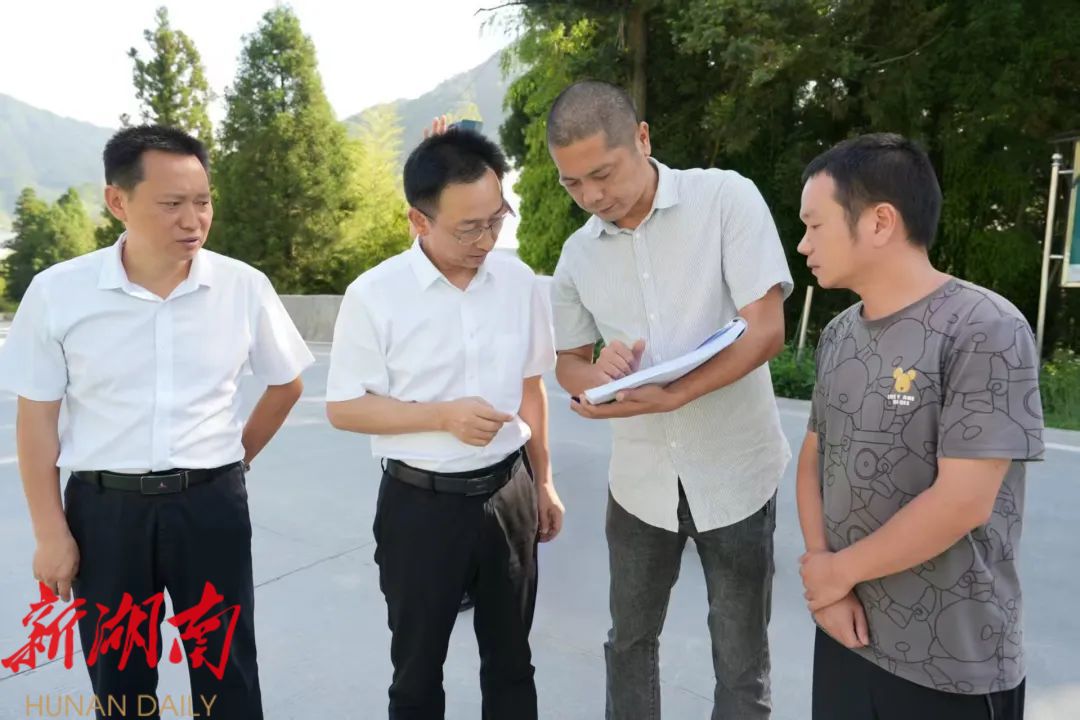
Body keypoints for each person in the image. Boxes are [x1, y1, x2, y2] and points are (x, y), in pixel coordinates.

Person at [0, 125, 314, 719]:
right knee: (121, 685)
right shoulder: (59, 293)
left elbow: (287, 382)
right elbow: (36, 421)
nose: (192, 220)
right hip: (106, 515)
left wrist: (235, 458)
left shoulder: (242, 287)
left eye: (203, 201)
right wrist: (50, 532)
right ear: (118, 201)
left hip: (211, 510)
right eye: (171, 204)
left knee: (227, 677)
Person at [547, 80, 793, 719]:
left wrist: (675, 394)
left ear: (643, 138)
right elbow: (569, 363)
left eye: (603, 173)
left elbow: (766, 329)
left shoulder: (725, 198)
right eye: (573, 184)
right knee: (629, 643)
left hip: (736, 471)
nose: (591, 197)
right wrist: (596, 377)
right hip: (639, 482)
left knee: (741, 661)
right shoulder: (576, 257)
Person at [795, 133, 1042, 720]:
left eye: (815, 225)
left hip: (951, 660)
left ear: (880, 222)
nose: (803, 244)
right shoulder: (839, 334)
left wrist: (835, 573)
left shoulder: (985, 327)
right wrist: (826, 583)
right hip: (848, 630)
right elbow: (814, 459)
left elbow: (962, 502)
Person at [325, 127, 564, 720]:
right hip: (420, 506)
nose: (487, 240)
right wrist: (440, 416)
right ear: (418, 220)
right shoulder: (374, 295)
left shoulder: (519, 282)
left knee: (513, 665)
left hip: (509, 494)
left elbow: (532, 388)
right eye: (468, 228)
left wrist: (544, 481)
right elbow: (344, 407)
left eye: (496, 220)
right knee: (416, 672)